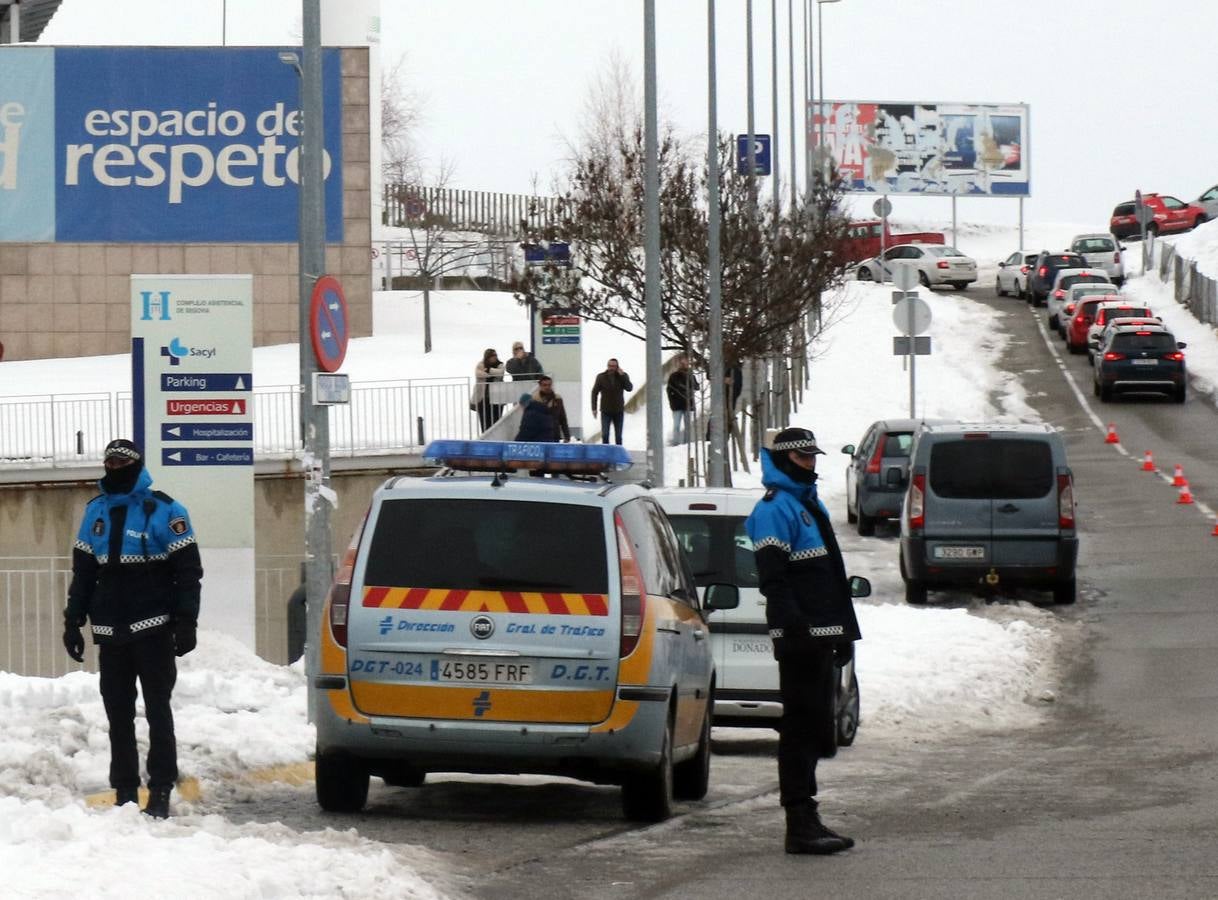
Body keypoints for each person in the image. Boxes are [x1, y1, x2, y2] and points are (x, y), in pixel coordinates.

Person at [62, 439, 203, 819]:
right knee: (117, 715)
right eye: (109, 462)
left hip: (154, 629)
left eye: (121, 462)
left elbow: (188, 573)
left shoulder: (166, 509)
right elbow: (83, 574)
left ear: (136, 465)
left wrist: (186, 622)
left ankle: (160, 790)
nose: (114, 468)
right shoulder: (95, 511)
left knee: (158, 711)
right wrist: (73, 621)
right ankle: (124, 792)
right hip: (110, 633)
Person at [745, 427, 862, 855]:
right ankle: (798, 821)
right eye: (802, 457)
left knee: (814, 727)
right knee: (799, 728)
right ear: (783, 460)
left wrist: (843, 633)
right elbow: (774, 580)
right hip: (801, 639)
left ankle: (807, 815)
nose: (810, 464)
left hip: (821, 636)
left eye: (813, 457)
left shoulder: (807, 504)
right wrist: (797, 630)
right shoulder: (775, 508)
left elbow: (828, 578)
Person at [590, 358, 633, 445]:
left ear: (617, 367)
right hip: (605, 410)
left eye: (613, 366)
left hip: (618, 411)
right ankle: (606, 452)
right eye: (610, 366)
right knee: (605, 435)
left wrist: (623, 376)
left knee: (618, 436)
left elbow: (629, 388)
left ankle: (618, 451)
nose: (611, 368)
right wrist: (594, 408)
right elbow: (594, 392)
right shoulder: (601, 377)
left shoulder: (623, 376)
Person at [665, 355, 699, 446]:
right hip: (677, 405)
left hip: (688, 404)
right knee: (676, 425)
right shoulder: (674, 376)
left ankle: (687, 443)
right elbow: (669, 390)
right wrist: (672, 402)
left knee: (687, 426)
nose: (684, 364)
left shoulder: (691, 375)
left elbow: (697, 387)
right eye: (682, 363)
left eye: (686, 363)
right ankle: (676, 443)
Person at [471, 348, 506, 432]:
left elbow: (500, 373)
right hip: (482, 399)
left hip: (497, 399)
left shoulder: (500, 365)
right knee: (485, 425)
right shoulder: (480, 364)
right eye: (492, 355)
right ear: (487, 357)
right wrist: (491, 374)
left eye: (495, 355)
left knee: (496, 424)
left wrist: (489, 370)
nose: (494, 357)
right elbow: (478, 373)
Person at [532, 375, 571, 443]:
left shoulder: (558, 399)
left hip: (554, 436)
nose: (547, 387)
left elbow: (563, 419)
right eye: (544, 385)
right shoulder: (534, 400)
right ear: (540, 386)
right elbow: (530, 421)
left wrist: (567, 436)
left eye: (549, 385)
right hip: (539, 437)